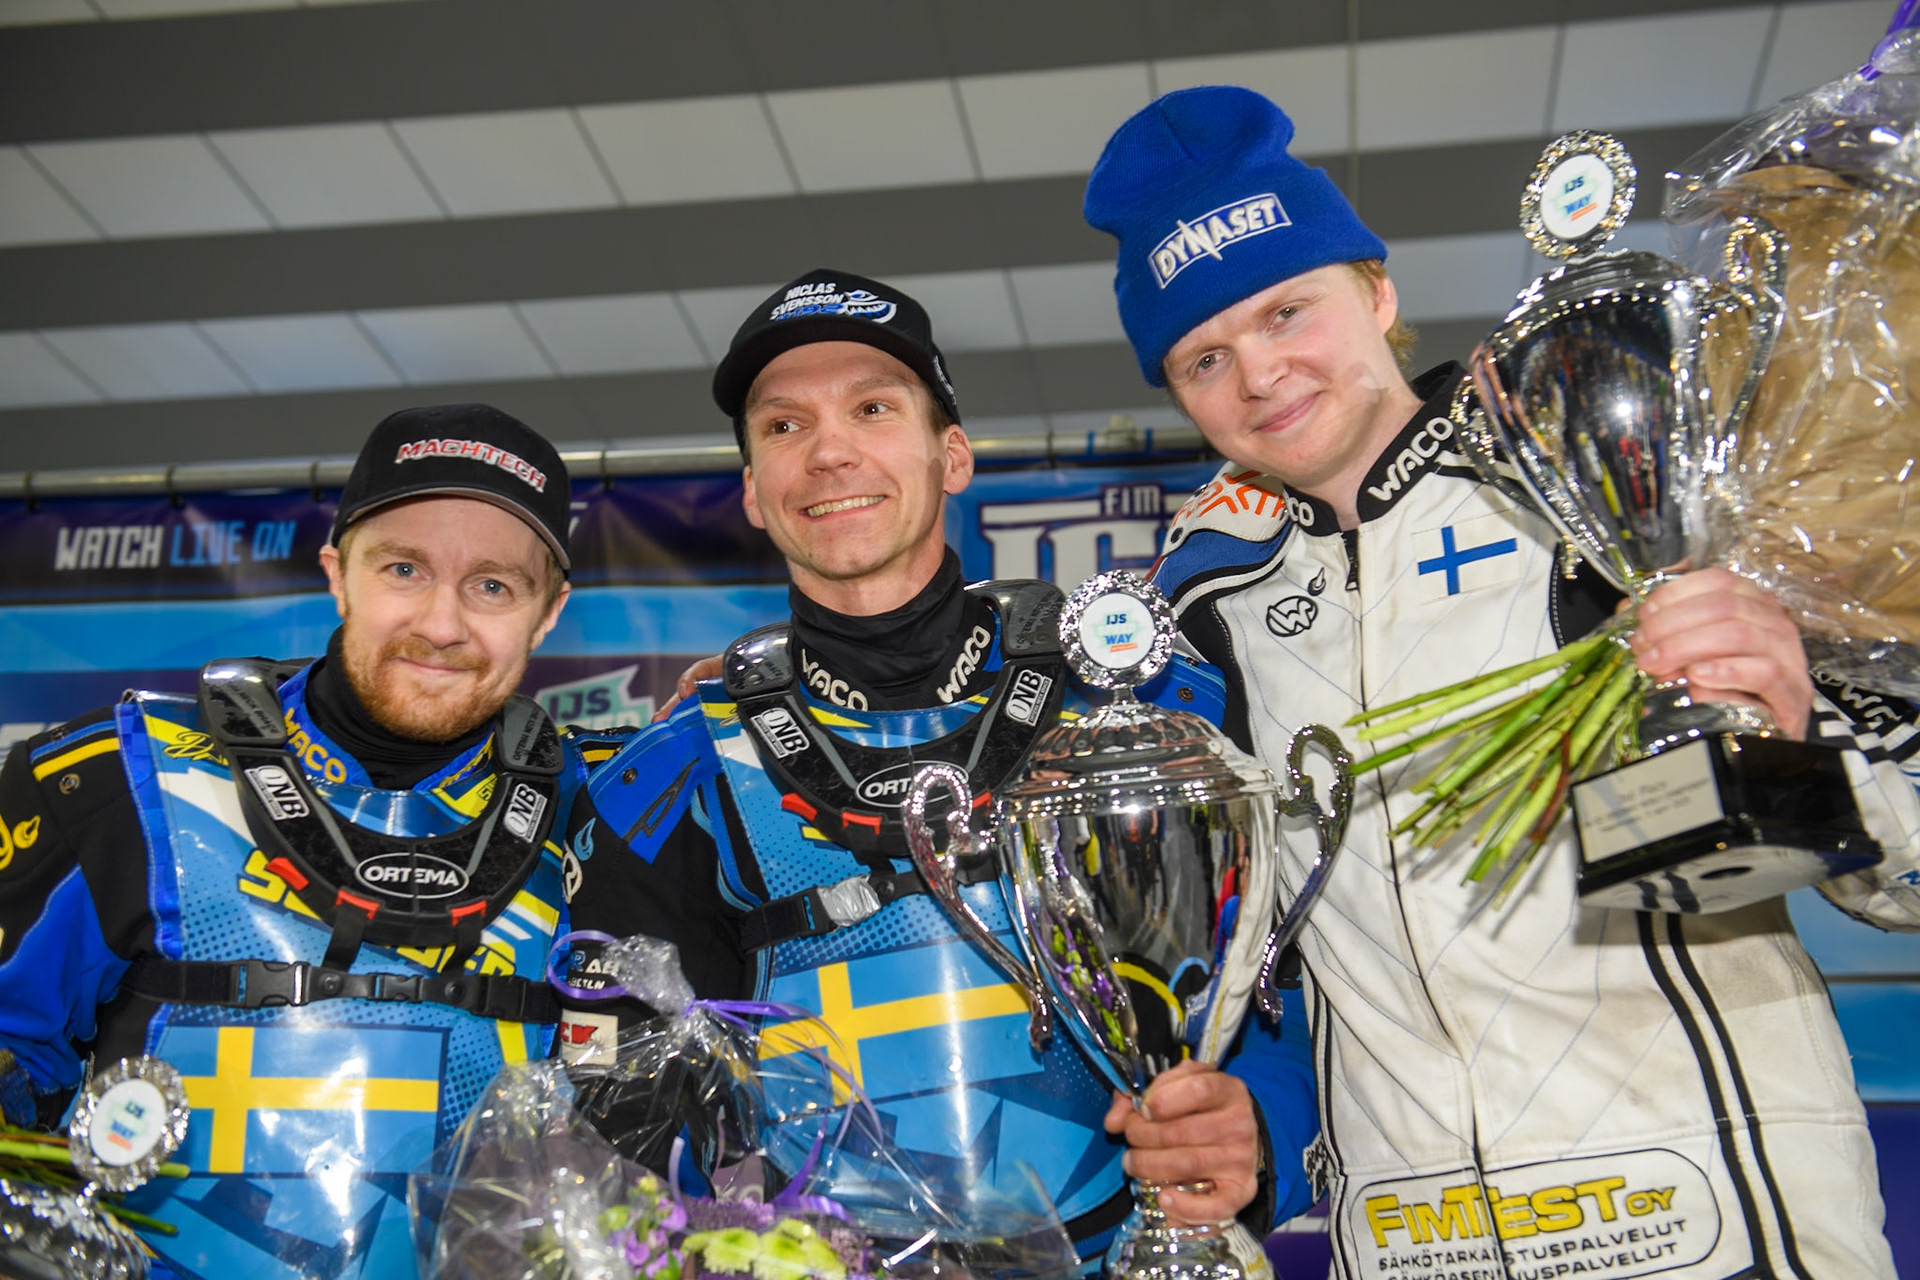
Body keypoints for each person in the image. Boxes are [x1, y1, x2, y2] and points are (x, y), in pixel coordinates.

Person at [1082, 85, 1920, 1280]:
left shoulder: (1603, 470)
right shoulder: (1211, 612)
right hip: (1415, 1245)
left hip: (1706, 1221)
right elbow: (1268, 969)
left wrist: (1797, 734)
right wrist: (1254, 1120)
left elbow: (1905, 867)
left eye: (1288, 309)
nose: (1260, 372)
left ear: (1377, 293)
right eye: (1205, 354)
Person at [557, 267, 1318, 1267]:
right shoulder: (679, 770)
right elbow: (610, 1081)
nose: (829, 451)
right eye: (784, 427)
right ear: (751, 489)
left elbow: (1287, 980)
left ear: (951, 455)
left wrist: (1259, 1127)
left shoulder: (1142, 702)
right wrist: (709, 1230)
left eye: (873, 409)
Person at [0, 405, 625, 1280]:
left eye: (493, 585)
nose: (442, 624)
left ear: (550, 610)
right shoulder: (116, 781)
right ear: (338, 573)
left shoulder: (609, 811)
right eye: (403, 568)